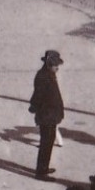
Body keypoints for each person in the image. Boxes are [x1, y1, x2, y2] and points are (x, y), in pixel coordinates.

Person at [29, 49, 65, 180]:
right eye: (56, 66)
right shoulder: (43, 77)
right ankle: (41, 172)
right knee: (46, 143)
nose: (57, 68)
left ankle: (43, 167)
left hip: (50, 115)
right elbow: (38, 96)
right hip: (46, 116)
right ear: (49, 64)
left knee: (48, 143)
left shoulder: (48, 74)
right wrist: (34, 107)